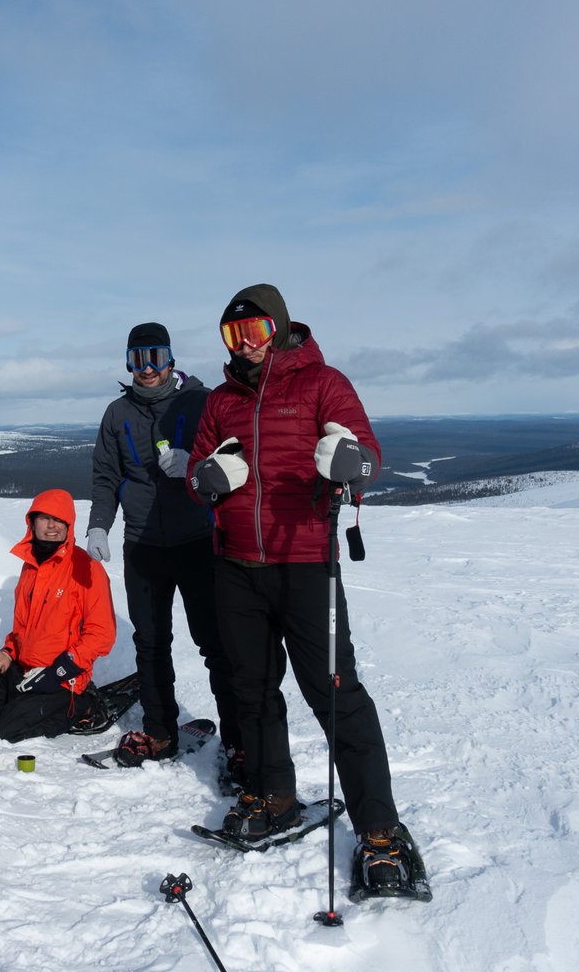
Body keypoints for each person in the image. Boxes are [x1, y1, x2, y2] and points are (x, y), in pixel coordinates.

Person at [187, 283, 422, 890]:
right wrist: (209, 476)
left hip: (306, 564)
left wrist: (347, 461)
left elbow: (369, 456)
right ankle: (274, 796)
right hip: (236, 566)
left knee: (336, 695)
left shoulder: (323, 383)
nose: (245, 345)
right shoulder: (220, 400)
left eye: (256, 331)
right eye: (233, 335)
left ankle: (380, 831)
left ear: (281, 328)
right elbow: (195, 472)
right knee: (254, 692)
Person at [87, 323, 238, 771]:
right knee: (151, 643)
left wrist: (198, 465)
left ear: (171, 358)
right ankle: (159, 732)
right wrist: (99, 525)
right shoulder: (117, 413)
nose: (147, 368)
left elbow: (234, 457)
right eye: (137, 359)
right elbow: (106, 477)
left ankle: (239, 739)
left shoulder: (202, 401)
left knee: (215, 643)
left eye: (155, 356)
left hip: (198, 539)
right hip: (143, 545)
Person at [0, 489, 117, 742]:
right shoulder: (30, 567)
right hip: (24, 672)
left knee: (2, 733)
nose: (52, 526)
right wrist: (8, 654)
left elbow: (101, 634)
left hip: (63, 681)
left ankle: (85, 706)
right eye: (44, 518)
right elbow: (22, 628)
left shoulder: (86, 567)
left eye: (59, 519)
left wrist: (57, 672)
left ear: (68, 524)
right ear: (32, 523)